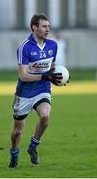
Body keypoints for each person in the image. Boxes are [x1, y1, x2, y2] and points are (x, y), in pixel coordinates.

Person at [8, 13, 63, 168]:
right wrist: (44, 77)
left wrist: (58, 78)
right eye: (44, 26)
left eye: (48, 26)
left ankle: (33, 147)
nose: (48, 29)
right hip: (24, 93)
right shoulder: (24, 48)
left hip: (42, 89)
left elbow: (51, 68)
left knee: (45, 116)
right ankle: (14, 152)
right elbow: (23, 76)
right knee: (17, 131)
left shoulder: (53, 45)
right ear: (34, 27)